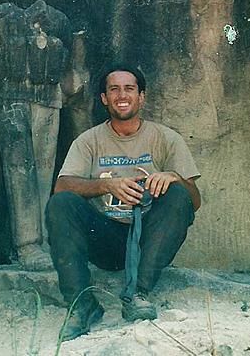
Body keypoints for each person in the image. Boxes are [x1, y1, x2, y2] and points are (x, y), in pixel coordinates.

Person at [45, 64, 201, 341]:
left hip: (149, 241)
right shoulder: (88, 141)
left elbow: (195, 202)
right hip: (105, 237)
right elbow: (62, 187)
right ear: (104, 99)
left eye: (129, 88)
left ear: (142, 97)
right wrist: (105, 184)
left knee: (179, 193)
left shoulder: (165, 138)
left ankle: (137, 294)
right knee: (61, 204)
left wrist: (172, 177)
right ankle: (82, 305)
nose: (121, 95)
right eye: (113, 89)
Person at [0, 0, 73, 271]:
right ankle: (28, 244)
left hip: (48, 98)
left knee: (45, 170)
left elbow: (68, 55)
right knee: (19, 170)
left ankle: (44, 239)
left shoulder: (58, 19)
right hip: (9, 99)